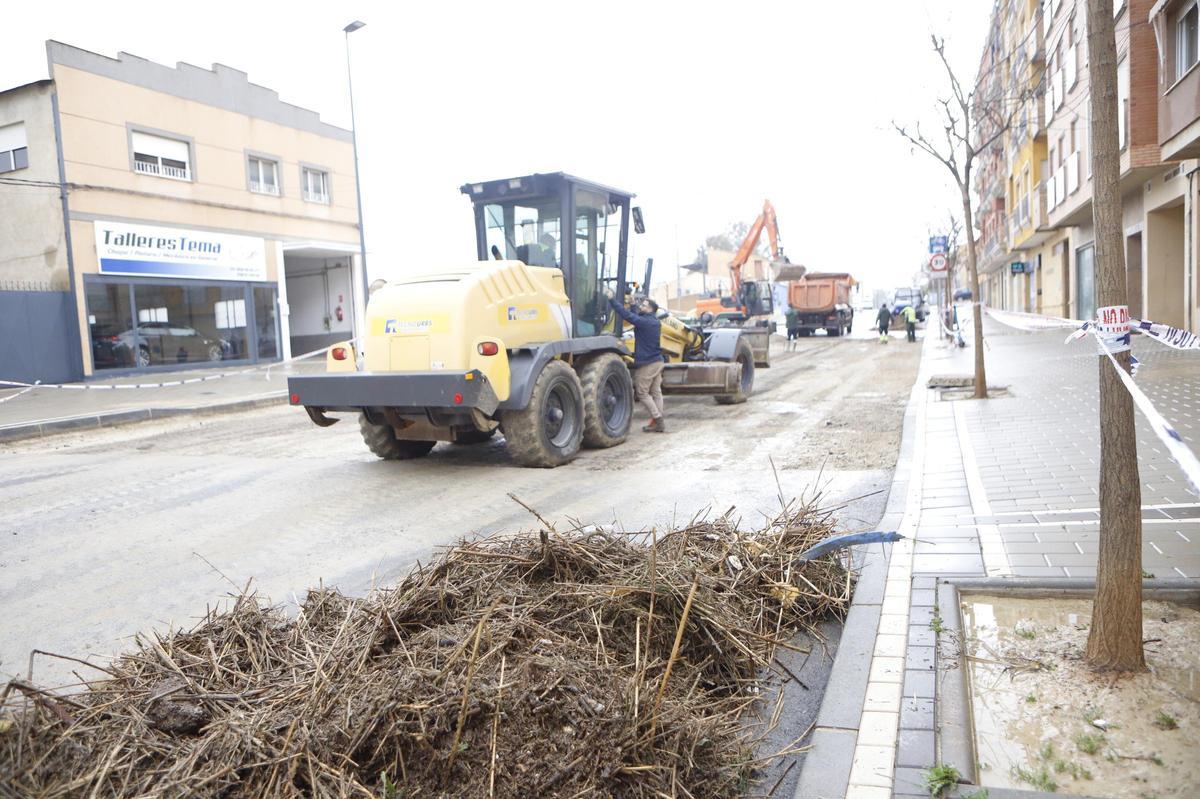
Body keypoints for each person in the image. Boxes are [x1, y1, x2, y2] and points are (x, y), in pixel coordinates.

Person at [608, 294, 666, 432]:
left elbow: (628, 316)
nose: (641, 306)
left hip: (648, 364)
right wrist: (633, 304)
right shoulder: (652, 321)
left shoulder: (646, 322)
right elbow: (636, 319)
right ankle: (656, 421)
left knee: (642, 393)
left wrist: (611, 300)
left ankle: (658, 420)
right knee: (656, 392)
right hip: (657, 361)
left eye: (644, 305)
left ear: (651, 309)